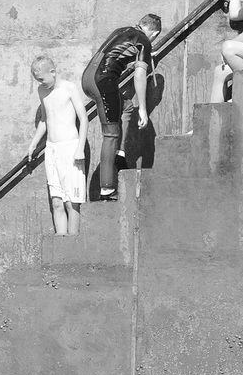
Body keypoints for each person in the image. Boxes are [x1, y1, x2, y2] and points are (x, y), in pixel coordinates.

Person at [81, 14, 163, 202]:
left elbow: (114, 56)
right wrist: (143, 108)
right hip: (103, 82)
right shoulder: (144, 41)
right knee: (110, 134)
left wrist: (138, 59)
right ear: (155, 33)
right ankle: (107, 189)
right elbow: (140, 76)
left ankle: (120, 154)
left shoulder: (123, 31)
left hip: (87, 77)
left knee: (126, 106)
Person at [31, 55, 89, 235]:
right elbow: (44, 119)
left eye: (41, 79)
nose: (40, 83)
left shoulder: (69, 88)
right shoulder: (42, 91)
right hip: (52, 148)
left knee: (72, 202)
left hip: (71, 148)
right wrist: (33, 144)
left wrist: (80, 148)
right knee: (56, 202)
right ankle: (60, 244)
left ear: (53, 72)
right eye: (37, 80)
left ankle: (72, 246)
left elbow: (84, 118)